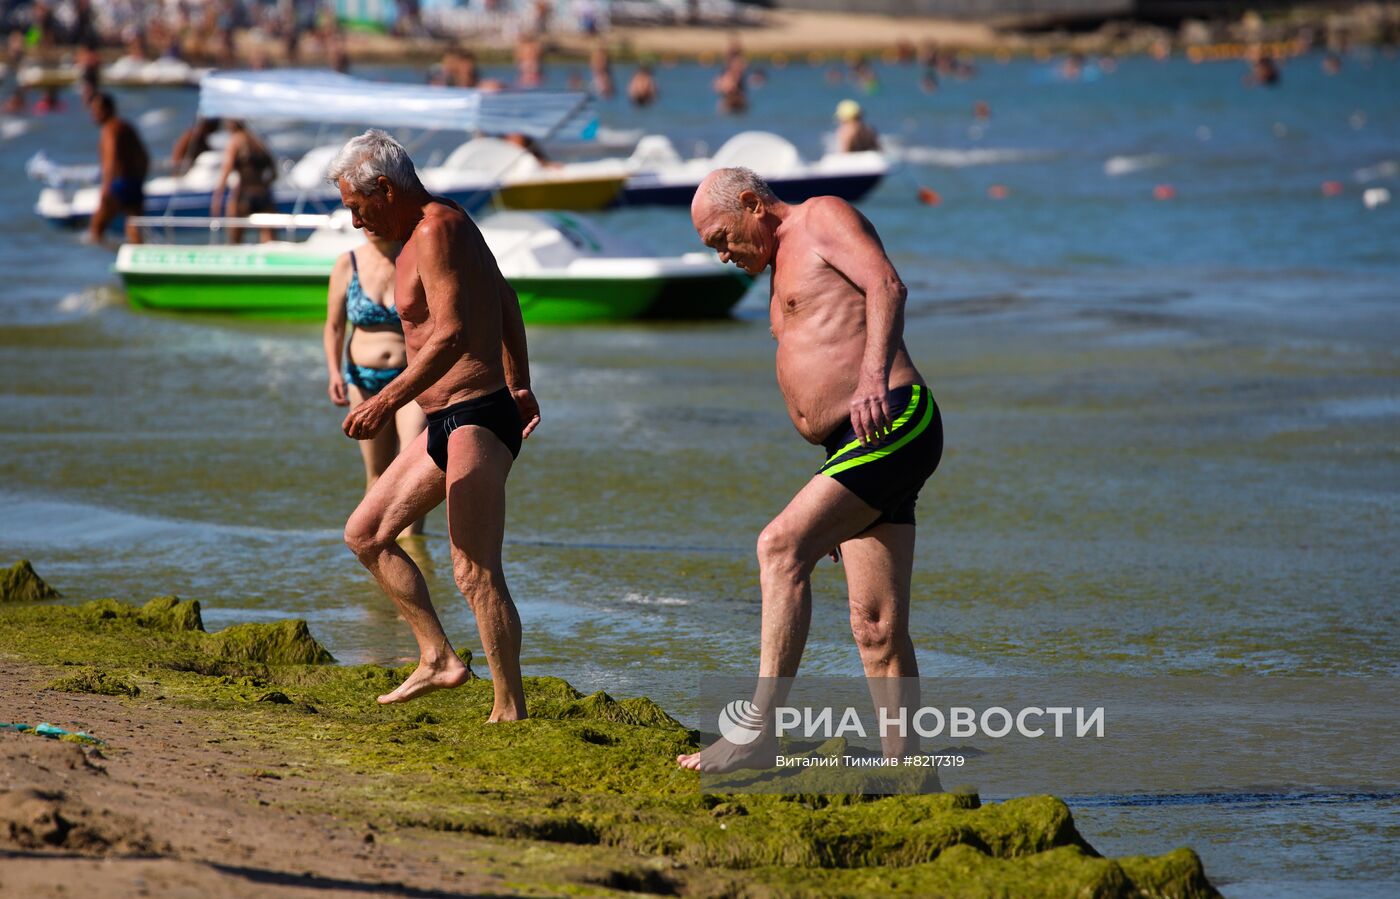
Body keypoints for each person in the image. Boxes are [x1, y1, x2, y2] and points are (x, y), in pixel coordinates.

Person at [678, 168, 942, 772]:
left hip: (894, 418)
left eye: (721, 237)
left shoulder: (820, 216)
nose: (722, 255)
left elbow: (887, 286)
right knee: (875, 626)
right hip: (854, 444)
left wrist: (872, 375)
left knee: (779, 547)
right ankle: (909, 767)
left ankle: (757, 734)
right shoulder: (779, 266)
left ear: (751, 204)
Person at [328, 130, 540, 718]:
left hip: (477, 417)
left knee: (474, 570)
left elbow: (448, 334)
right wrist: (521, 379)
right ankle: (439, 658)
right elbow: (506, 300)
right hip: (445, 420)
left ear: (384, 189)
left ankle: (509, 706)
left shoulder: (438, 229)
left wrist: (383, 402)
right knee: (366, 533)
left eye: (355, 206)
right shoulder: (433, 229)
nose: (353, 221)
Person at [324, 233, 427, 539]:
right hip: (364, 380)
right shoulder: (348, 263)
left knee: (412, 471)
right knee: (378, 474)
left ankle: (414, 549)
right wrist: (333, 373)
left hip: (410, 379)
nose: (366, 223)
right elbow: (333, 327)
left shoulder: (415, 259)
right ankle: (377, 544)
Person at [87, 92, 150, 245]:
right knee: (134, 227)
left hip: (118, 183)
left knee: (96, 227)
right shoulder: (126, 126)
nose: (93, 115)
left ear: (106, 109)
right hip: (134, 182)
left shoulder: (110, 129)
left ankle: (98, 261)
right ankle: (138, 258)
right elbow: (144, 157)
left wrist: (106, 186)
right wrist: (139, 179)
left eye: (96, 110)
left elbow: (111, 158)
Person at [210, 120, 277, 243]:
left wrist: (217, 197)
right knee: (269, 241)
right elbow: (274, 172)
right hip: (263, 193)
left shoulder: (235, 141)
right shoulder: (258, 141)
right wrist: (264, 184)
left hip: (243, 194)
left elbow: (227, 170)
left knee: (235, 240)